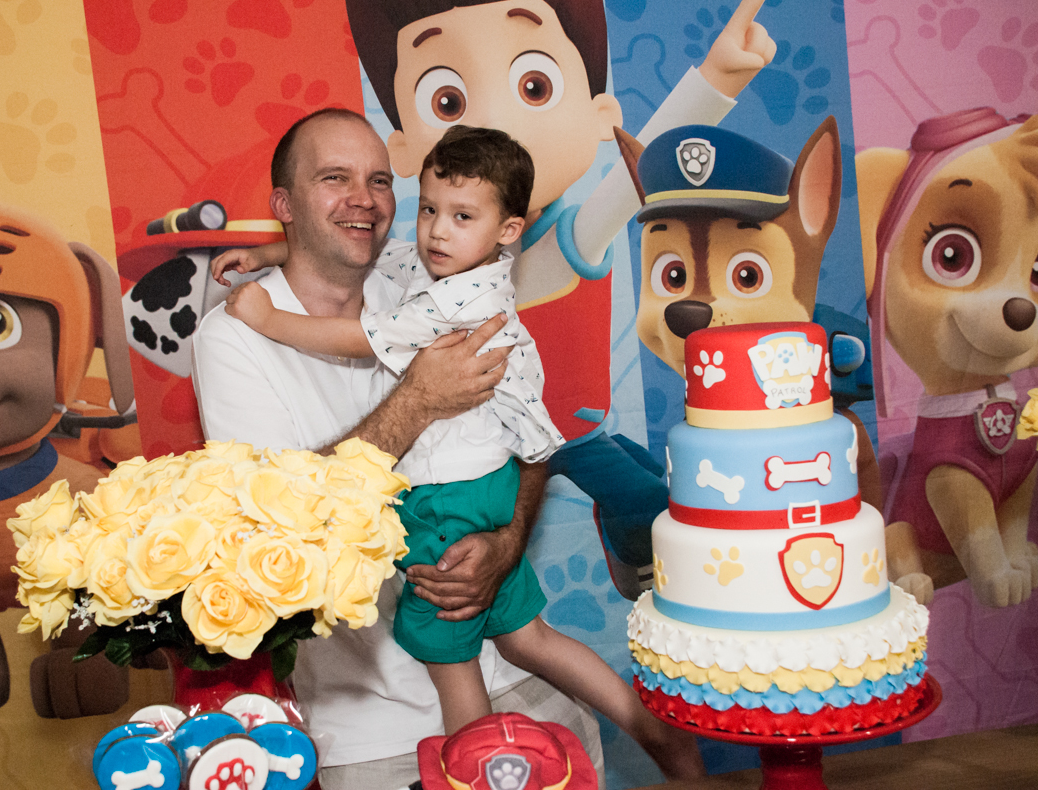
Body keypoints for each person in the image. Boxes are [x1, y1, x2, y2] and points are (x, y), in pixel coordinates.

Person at [219, 125, 705, 777]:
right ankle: (654, 727)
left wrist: (265, 317)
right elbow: (385, 257)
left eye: (460, 217)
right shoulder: (443, 264)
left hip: (444, 502)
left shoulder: (452, 298)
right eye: (429, 211)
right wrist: (267, 254)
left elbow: (364, 338)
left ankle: (479, 771)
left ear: (507, 230)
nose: (436, 232)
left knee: (451, 668)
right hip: (485, 487)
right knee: (529, 636)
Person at [342, 0, 776, 598]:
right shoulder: (436, 240)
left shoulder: (555, 233)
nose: (496, 126)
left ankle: (631, 538)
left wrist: (718, 79)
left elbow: (639, 168)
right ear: (406, 145)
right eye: (449, 100)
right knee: (665, 506)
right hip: (530, 432)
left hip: (577, 419)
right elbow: (350, 253)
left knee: (661, 478)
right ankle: (651, 546)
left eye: (533, 86)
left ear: (600, 111)